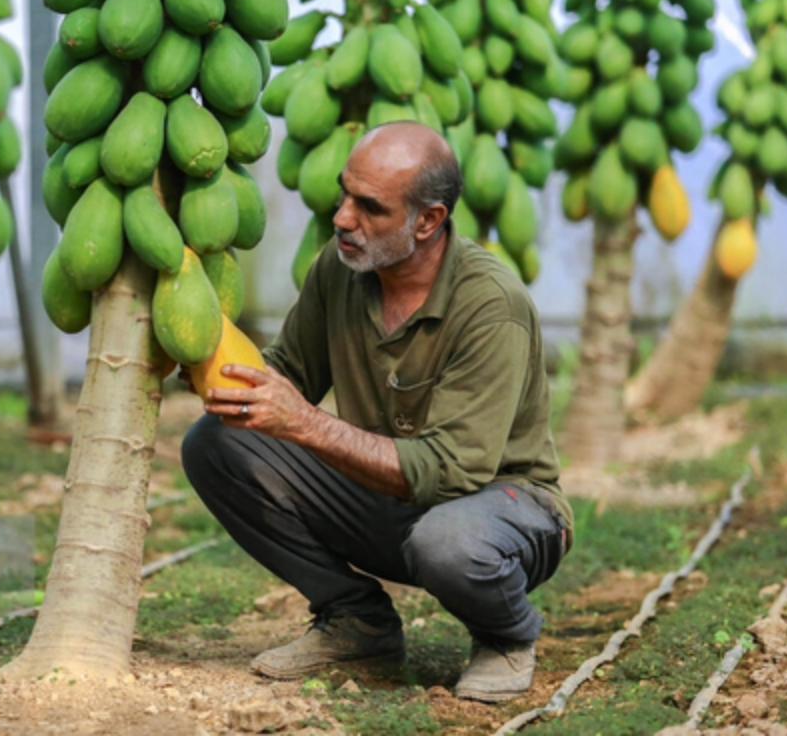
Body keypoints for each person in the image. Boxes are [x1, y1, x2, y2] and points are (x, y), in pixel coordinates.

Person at [179, 121, 573, 703]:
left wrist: (308, 425)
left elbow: (453, 472)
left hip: (500, 510)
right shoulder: (340, 271)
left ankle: (505, 636)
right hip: (389, 498)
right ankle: (356, 620)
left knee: (447, 540)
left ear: (428, 220)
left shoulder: (492, 306)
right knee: (216, 442)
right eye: (344, 194)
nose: (342, 217)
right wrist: (194, 342)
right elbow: (287, 375)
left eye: (369, 207)